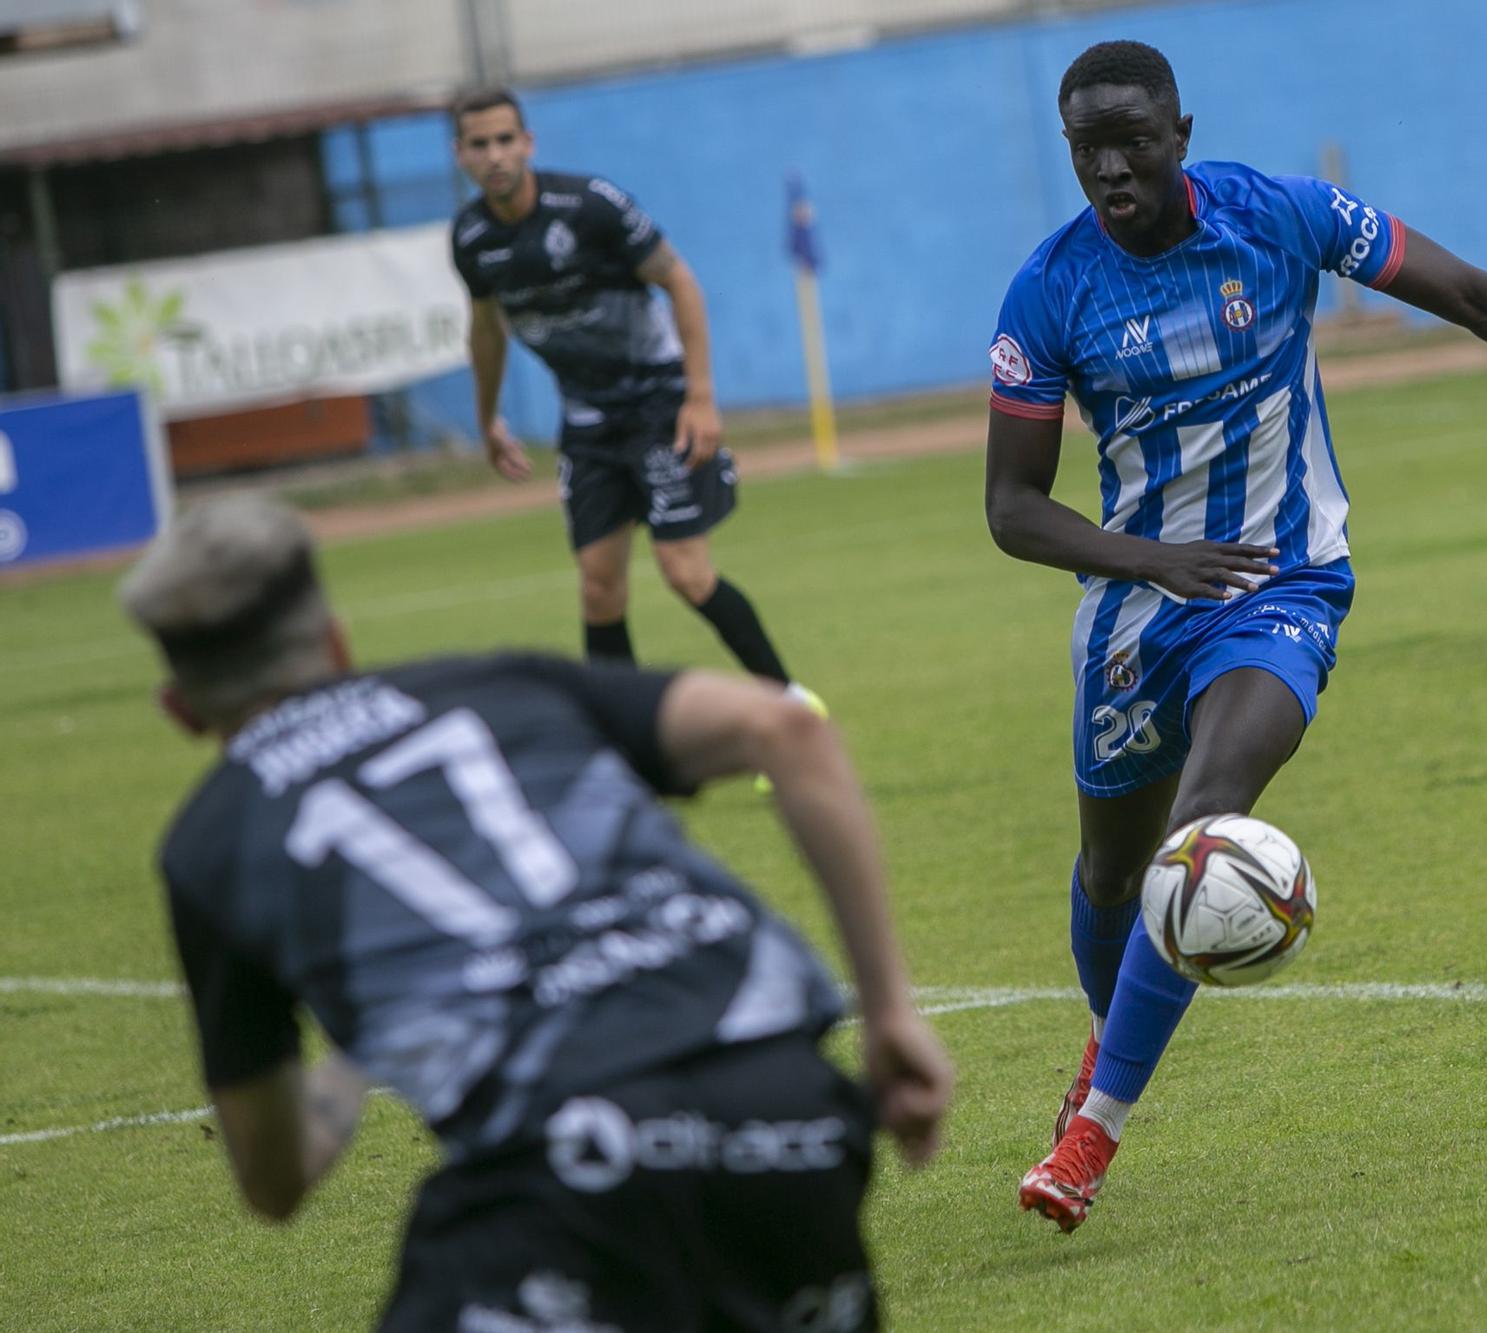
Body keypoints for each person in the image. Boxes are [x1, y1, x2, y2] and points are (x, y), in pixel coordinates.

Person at [986, 40, 1487, 1233]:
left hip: (1282, 585)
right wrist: (1151, 562)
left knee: (1207, 815)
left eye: (1132, 142)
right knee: (1111, 869)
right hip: (1135, 606)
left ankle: (1091, 1132)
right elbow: (1012, 507)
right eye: (1086, 149)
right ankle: (1109, 1039)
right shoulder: (1047, 291)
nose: (1110, 169)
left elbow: (1463, 292)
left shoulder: (1281, 218)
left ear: (1179, 134)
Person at [119, 493, 952, 1329]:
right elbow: (788, 729)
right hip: (790, 1110)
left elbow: (275, 1179)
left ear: (181, 711)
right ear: (335, 639)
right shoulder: (497, 681)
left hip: (560, 1160)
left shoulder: (210, 841)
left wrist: (353, 1047)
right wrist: (886, 1010)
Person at [449, 87, 816, 716]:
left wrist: (699, 396)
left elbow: (679, 280)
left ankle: (791, 705)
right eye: (480, 144)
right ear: (461, 155)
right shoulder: (472, 238)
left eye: (506, 139)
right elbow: (485, 329)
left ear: (528, 143)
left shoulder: (590, 206)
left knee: (685, 572)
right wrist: (487, 420)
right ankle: (621, 746)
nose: (496, 155)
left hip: (657, 404)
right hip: (588, 420)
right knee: (599, 588)